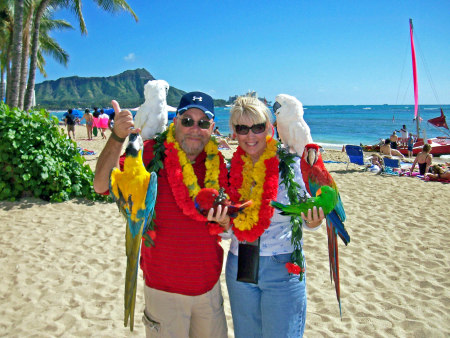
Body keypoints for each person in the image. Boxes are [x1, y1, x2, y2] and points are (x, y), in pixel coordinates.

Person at [93, 92, 229, 337]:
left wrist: (226, 221)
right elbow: (102, 184)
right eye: (187, 121)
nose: (194, 129)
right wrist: (116, 137)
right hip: (163, 291)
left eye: (203, 122)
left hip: (208, 290)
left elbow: (228, 222)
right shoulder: (149, 154)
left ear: (213, 127)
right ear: (175, 122)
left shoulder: (217, 163)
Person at [223, 96, 325, 337]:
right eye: (242, 128)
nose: (250, 136)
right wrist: (223, 223)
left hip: (283, 266)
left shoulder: (291, 165)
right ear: (233, 132)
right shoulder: (229, 171)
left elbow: (311, 215)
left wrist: (314, 221)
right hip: (240, 264)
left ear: (270, 127)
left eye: (257, 127)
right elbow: (228, 231)